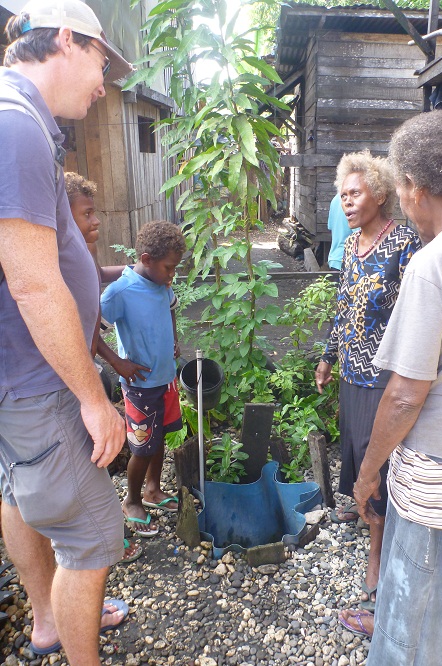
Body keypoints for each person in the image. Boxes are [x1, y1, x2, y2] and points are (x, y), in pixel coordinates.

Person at [0, 1, 134, 662]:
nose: (103, 83)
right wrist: (92, 398)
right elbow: (30, 280)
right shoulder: (15, 125)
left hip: (13, 381)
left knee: (17, 493)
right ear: (64, 40)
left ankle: (48, 622)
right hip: (37, 381)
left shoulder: (23, 120)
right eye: (102, 61)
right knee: (91, 535)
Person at [353, 110, 442, 665]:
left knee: (413, 627)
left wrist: (368, 474)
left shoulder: (436, 262)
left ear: (413, 188)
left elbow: (407, 393)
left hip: (440, 483)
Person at [315, 150, 421, 614]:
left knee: (380, 464)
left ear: (379, 194)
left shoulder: (404, 244)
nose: (347, 202)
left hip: (387, 378)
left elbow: (419, 313)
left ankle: (380, 558)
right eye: (342, 196)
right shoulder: (353, 246)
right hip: (353, 376)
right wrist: (327, 356)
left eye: (354, 193)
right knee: (359, 453)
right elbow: (343, 307)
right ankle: (370, 520)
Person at [65, 172, 145, 564]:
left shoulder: (84, 250)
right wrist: (115, 362)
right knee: (84, 455)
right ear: (62, 216)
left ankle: (103, 528)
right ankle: (97, 538)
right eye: (87, 214)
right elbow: (82, 331)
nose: (96, 221)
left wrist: (135, 271)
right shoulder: (58, 260)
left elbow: (96, 279)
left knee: (96, 449)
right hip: (76, 368)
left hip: (90, 365)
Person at [101, 221, 186, 537]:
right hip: (139, 386)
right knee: (141, 447)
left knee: (159, 437)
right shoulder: (120, 291)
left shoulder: (162, 284)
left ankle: (153, 490)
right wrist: (117, 363)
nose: (172, 274)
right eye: (169, 267)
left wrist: (174, 339)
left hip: (164, 379)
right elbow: (91, 332)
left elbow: (171, 308)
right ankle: (132, 500)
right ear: (147, 259)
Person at [326, 193, 354, 279]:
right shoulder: (354, 203)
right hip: (349, 261)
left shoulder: (335, 199)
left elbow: (330, 227)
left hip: (334, 257)